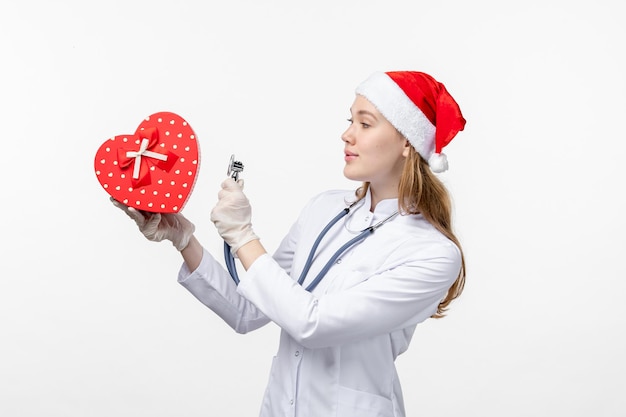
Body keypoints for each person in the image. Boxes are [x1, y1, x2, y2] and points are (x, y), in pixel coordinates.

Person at [113, 70, 467, 417]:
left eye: (365, 123)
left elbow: (313, 324)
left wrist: (243, 236)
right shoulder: (324, 208)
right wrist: (183, 237)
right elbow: (247, 311)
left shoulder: (432, 253)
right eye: (350, 120)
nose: (347, 135)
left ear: (407, 141)